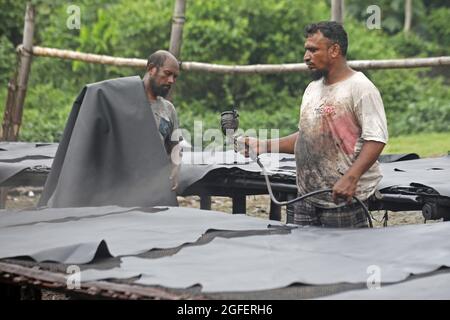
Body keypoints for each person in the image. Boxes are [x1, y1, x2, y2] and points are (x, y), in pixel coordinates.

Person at [238, 21, 388, 228]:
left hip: (343, 198)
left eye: (313, 50)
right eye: (306, 50)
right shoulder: (312, 89)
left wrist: (351, 178)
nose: (306, 57)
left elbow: (376, 139)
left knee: (346, 258)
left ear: (334, 50)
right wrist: (263, 145)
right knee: (306, 258)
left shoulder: (361, 88)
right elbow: (308, 137)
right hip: (306, 197)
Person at [143, 50, 183, 191]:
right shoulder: (127, 100)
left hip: (156, 183)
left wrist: (175, 167)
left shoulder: (168, 109)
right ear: (151, 69)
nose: (171, 80)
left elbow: (175, 146)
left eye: (175, 77)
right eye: (167, 74)